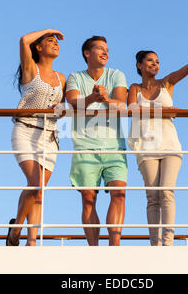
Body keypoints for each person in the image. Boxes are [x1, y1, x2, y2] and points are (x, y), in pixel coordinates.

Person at [127, 35, 188, 246]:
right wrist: (165, 111)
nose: (155, 64)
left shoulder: (167, 82)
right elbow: (132, 110)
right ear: (140, 65)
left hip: (169, 144)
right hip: (145, 145)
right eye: (150, 61)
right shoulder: (134, 88)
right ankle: (155, 244)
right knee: (152, 197)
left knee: (167, 192)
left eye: (158, 61)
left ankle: (168, 242)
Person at [66, 35, 128, 246]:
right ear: (87, 53)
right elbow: (73, 104)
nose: (105, 52)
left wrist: (106, 98)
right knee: (88, 200)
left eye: (107, 49)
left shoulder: (116, 75)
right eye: (100, 48)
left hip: (114, 146)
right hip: (85, 145)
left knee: (119, 194)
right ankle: (94, 249)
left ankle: (114, 246)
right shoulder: (75, 77)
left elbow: (121, 105)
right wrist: (93, 97)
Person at [6, 28, 66, 246]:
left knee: (38, 190)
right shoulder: (30, 68)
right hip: (25, 130)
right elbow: (23, 39)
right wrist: (50, 29)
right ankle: (16, 231)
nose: (55, 43)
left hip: (49, 136)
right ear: (38, 48)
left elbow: (70, 105)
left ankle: (31, 242)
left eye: (56, 41)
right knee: (35, 183)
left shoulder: (62, 78)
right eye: (49, 41)